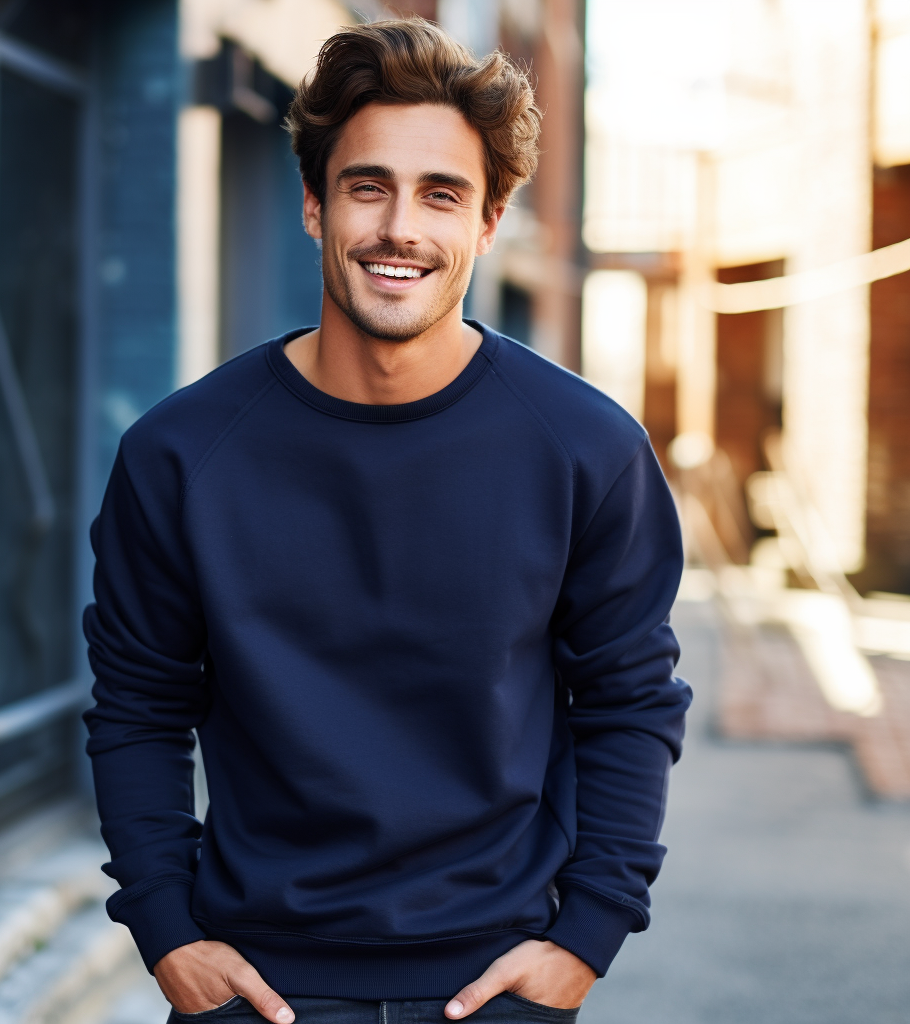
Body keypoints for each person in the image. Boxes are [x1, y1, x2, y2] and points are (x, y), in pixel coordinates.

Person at [83, 18, 691, 1024]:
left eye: (440, 193)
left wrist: (582, 940)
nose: (398, 226)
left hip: (495, 986)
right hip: (254, 988)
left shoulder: (585, 449)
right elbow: (139, 705)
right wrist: (168, 935)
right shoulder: (181, 453)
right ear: (317, 206)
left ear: (488, 222)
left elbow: (628, 699)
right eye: (367, 186)